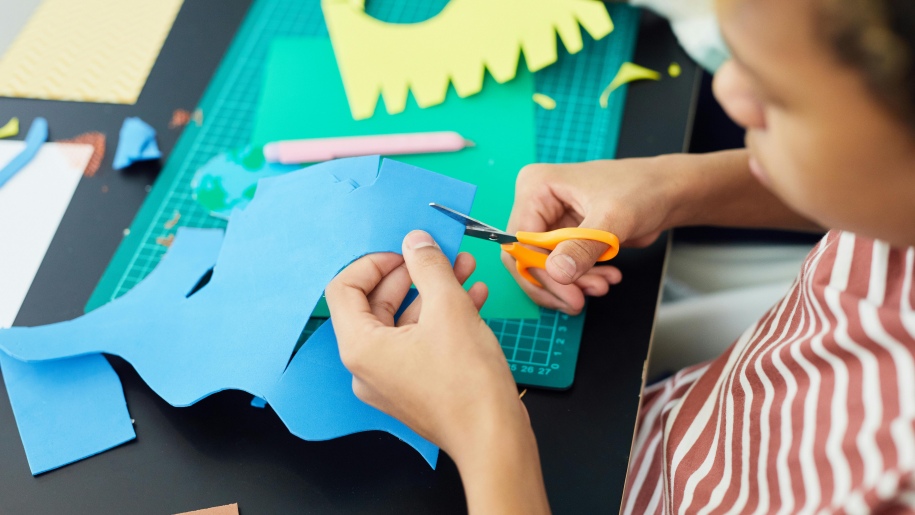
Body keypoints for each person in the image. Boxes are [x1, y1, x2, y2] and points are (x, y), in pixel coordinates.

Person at [325, 0, 915, 511]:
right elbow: (867, 189)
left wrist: (482, 431)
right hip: (672, 421)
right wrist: (672, 187)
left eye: (779, 97)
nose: (728, 92)